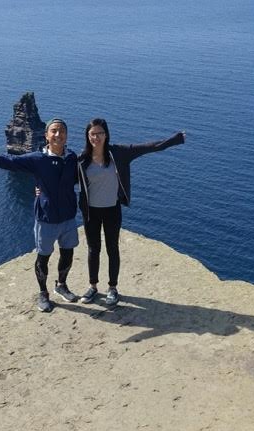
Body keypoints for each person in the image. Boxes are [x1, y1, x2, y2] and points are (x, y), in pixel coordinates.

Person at [0, 118, 81, 313]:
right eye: (54, 131)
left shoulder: (72, 158)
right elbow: (9, 161)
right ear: (47, 136)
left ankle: (61, 285)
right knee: (43, 257)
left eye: (62, 131)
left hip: (68, 217)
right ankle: (43, 293)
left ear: (67, 135)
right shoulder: (37, 159)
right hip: (46, 218)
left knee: (68, 253)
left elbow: (88, 172)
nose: (58, 134)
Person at [77, 118, 185, 306]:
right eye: (93, 134)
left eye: (100, 133)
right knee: (93, 249)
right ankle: (93, 287)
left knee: (112, 249)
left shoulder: (119, 153)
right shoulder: (81, 159)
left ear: (106, 134)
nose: (96, 137)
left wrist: (175, 140)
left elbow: (149, 147)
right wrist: (41, 188)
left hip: (112, 209)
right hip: (90, 211)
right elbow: (60, 176)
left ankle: (112, 288)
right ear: (88, 136)